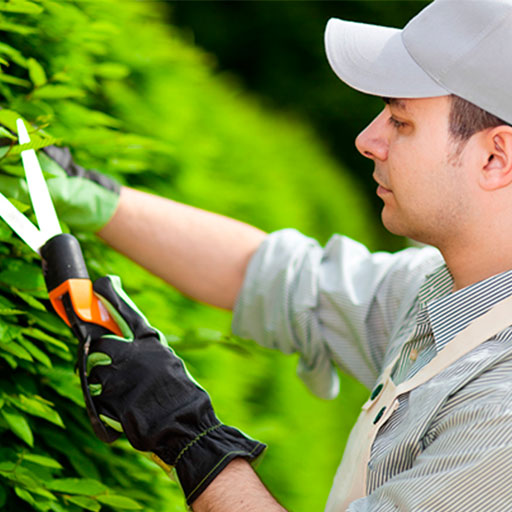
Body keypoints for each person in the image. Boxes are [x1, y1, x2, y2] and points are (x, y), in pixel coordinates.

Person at [9, 0, 512, 509]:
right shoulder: (444, 291)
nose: (367, 139)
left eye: (401, 121)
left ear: (495, 157)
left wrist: (191, 438)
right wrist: (95, 198)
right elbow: (280, 278)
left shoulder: (503, 412)